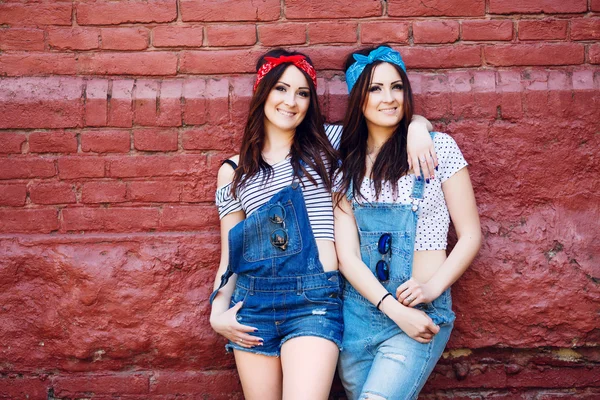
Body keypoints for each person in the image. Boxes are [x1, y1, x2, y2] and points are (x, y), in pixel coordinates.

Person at [208, 48, 436, 400]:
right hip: (252, 303)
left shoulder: (328, 145)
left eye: (302, 93)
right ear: (262, 92)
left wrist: (420, 126)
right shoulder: (233, 170)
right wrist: (216, 313)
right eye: (281, 89)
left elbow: (384, 119)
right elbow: (230, 257)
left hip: (314, 300)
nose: (291, 101)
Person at [334, 45, 482, 400]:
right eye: (375, 88)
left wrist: (432, 289)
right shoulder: (344, 164)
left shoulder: (438, 148)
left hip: (420, 313)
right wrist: (392, 308)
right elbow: (347, 257)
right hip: (358, 317)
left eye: (397, 87)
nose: (389, 98)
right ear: (358, 99)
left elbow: (470, 235)